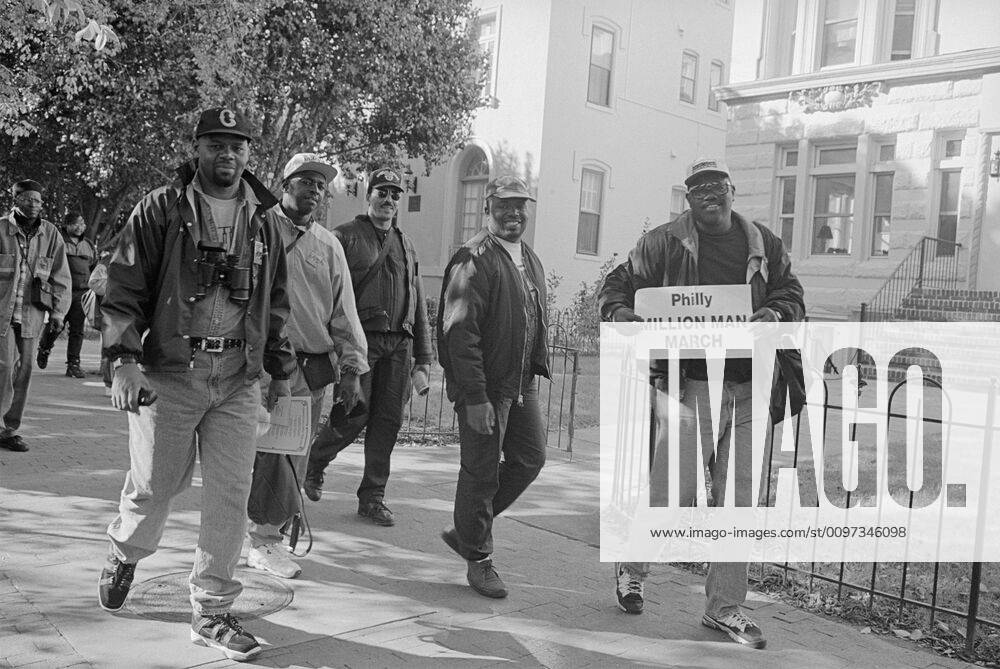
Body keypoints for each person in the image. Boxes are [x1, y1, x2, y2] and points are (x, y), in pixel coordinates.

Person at [97, 107, 296, 662]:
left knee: (231, 496)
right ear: (197, 148)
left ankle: (211, 611)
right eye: (215, 144)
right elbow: (123, 286)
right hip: (169, 373)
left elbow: (274, 304)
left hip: (235, 378)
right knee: (156, 486)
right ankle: (127, 551)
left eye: (237, 145)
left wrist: (278, 372)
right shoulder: (161, 208)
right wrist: (123, 361)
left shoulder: (264, 220)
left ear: (249, 153)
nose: (226, 155)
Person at [598, 158, 805, 649]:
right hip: (693, 388)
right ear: (687, 199)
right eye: (698, 188)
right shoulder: (663, 242)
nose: (709, 193)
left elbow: (792, 293)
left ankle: (725, 608)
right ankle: (632, 567)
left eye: (717, 185)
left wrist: (775, 310)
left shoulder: (763, 243)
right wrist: (625, 315)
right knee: (674, 494)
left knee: (737, 504)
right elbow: (615, 288)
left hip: (753, 387)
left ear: (733, 190)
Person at [245, 153, 368, 579]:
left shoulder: (328, 245)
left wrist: (351, 368)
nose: (315, 191)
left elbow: (343, 313)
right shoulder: (259, 228)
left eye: (321, 185)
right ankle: (262, 538)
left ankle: (270, 531)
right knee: (267, 454)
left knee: (292, 452)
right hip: (264, 366)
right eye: (306, 181)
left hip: (311, 370)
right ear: (285, 183)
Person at [437, 175, 549, 599]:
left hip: (521, 383)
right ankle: (479, 559)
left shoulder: (529, 258)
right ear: (489, 206)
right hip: (487, 387)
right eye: (504, 205)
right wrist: (476, 396)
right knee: (481, 473)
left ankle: (466, 529)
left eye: (521, 205)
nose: (513, 212)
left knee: (531, 457)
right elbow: (459, 333)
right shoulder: (474, 257)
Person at [304, 167, 433, 527]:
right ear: (368, 195)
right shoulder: (344, 237)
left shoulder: (406, 244)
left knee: (387, 422)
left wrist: (424, 356)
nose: (388, 199)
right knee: (353, 413)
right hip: (360, 343)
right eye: (381, 192)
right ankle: (314, 462)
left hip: (399, 346)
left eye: (394, 194)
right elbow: (324, 293)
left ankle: (373, 497)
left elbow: (417, 301)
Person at [0, 180, 71, 452]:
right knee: (4, 367)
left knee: (25, 371)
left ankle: (10, 429)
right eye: (28, 199)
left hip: (31, 315)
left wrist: (58, 312)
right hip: (2, 314)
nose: (33, 204)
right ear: (15, 199)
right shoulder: (2, 228)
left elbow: (61, 277)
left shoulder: (51, 234)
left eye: (38, 200)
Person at [37, 212, 96, 377]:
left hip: (81, 295)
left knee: (77, 330)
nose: (80, 227)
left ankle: (73, 365)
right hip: (61, 292)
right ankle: (44, 348)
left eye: (82, 223)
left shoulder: (89, 245)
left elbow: (93, 268)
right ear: (67, 225)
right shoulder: (58, 240)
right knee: (56, 325)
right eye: (75, 224)